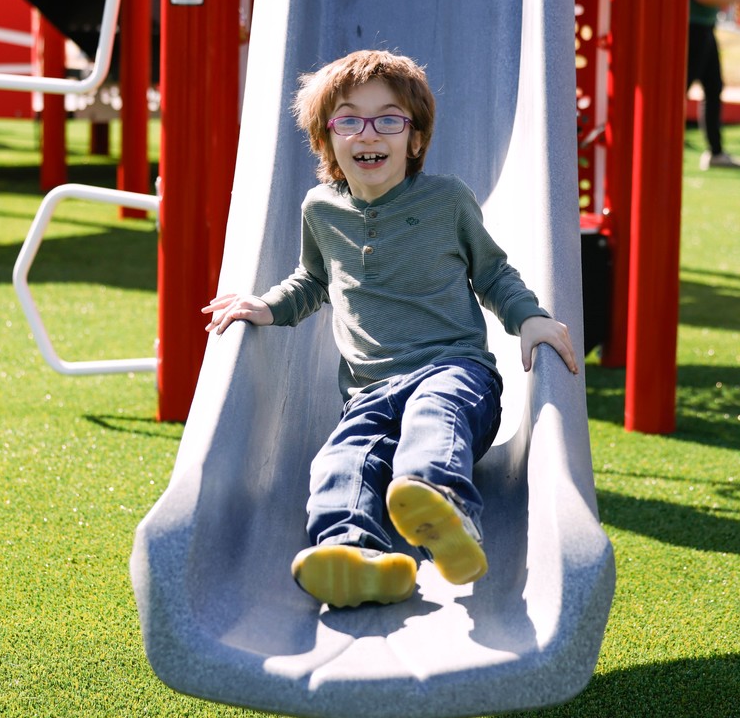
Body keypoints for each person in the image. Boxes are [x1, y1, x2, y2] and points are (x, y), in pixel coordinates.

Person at [202, 50, 579, 609]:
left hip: (455, 373)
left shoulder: (447, 201)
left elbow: (493, 273)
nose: (368, 133)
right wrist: (266, 306)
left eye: (389, 119)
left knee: (433, 415)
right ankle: (353, 555)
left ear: (415, 139)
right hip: (368, 392)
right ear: (326, 140)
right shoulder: (320, 210)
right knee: (342, 459)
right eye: (349, 120)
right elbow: (313, 280)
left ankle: (441, 503)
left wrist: (530, 318)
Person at [688, 0, 740, 171]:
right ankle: (659, 144)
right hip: (695, 29)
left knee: (714, 87)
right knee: (682, 87)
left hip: (704, 27)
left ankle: (716, 151)